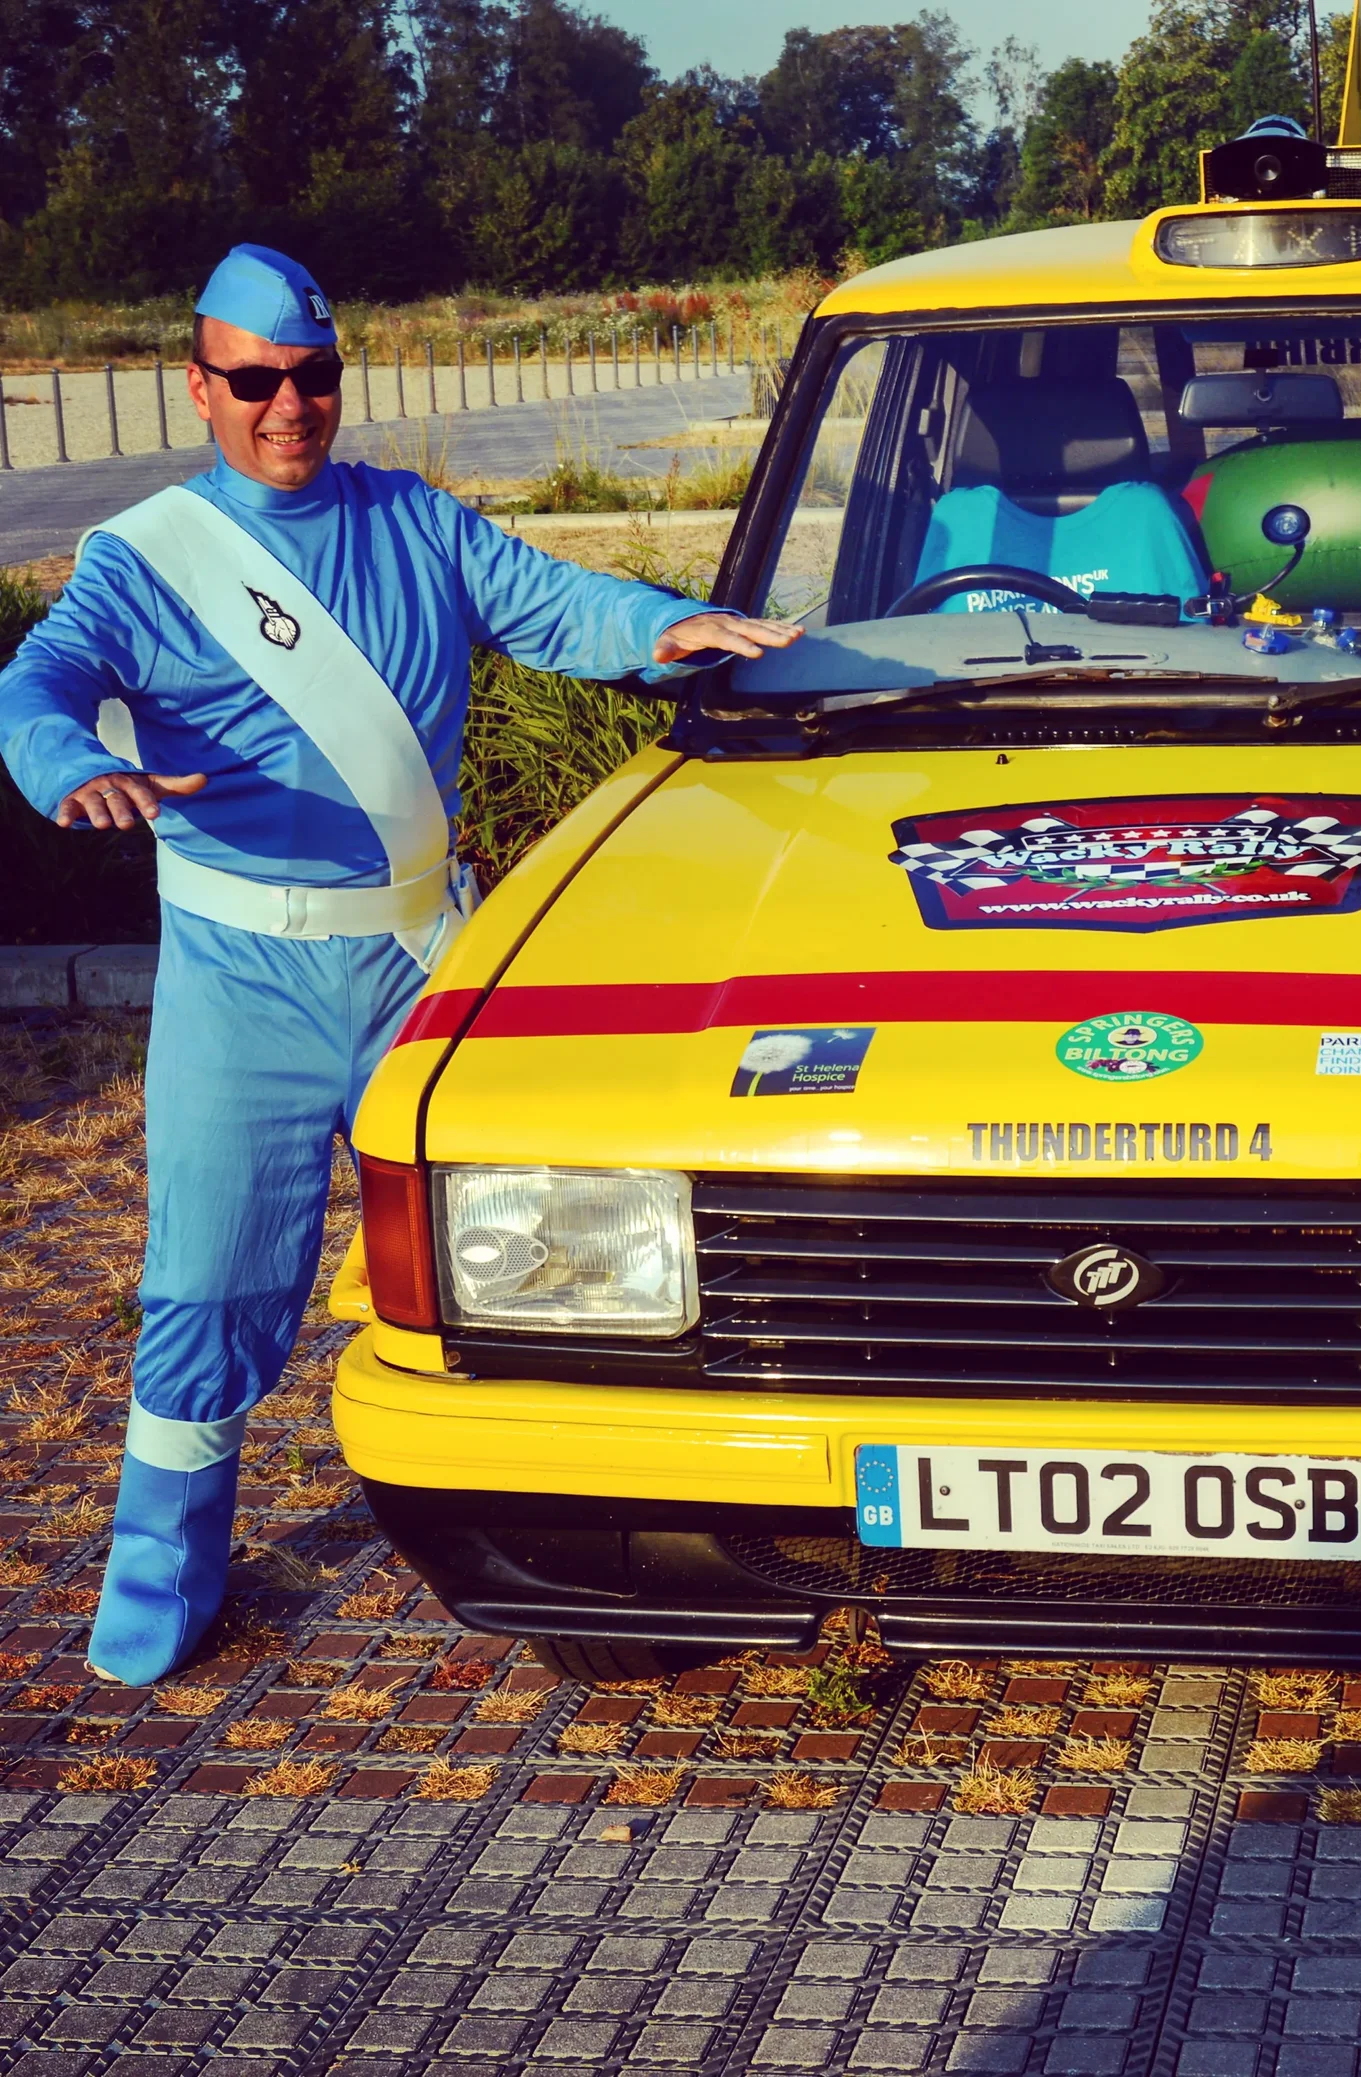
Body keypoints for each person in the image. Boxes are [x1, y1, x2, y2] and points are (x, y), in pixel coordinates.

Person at [0, 245, 801, 1686]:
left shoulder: (415, 519)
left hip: (426, 960)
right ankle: (162, 1581)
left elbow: (557, 603)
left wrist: (661, 628)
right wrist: (67, 762)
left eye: (312, 378)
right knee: (209, 1288)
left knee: (544, 1253)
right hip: (240, 983)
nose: (287, 407)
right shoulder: (142, 555)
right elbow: (40, 679)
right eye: (254, 381)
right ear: (201, 386)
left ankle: (580, 1549)